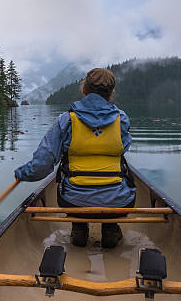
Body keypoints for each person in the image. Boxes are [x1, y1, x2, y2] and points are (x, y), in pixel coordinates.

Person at [14, 68, 135, 248]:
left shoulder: (66, 120)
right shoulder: (122, 119)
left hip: (73, 201)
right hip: (119, 201)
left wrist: (22, 174)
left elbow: (42, 166)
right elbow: (123, 148)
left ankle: (79, 228)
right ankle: (110, 228)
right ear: (111, 94)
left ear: (84, 89)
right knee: (118, 185)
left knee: (72, 188)